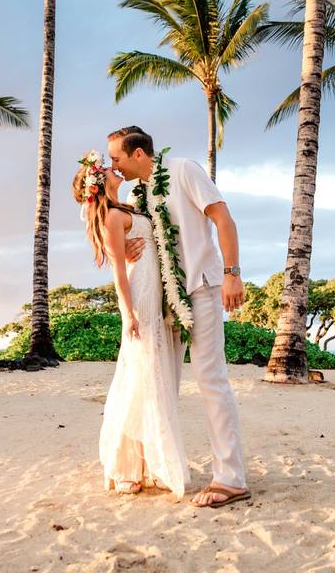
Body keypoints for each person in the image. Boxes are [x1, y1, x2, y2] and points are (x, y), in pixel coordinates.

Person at [107, 126, 251, 509]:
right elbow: (136, 235)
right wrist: (135, 244)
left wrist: (232, 273)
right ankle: (155, 465)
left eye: (116, 158)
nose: (113, 166)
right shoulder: (136, 194)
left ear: (139, 154)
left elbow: (224, 219)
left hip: (202, 286)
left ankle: (231, 477)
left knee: (210, 378)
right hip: (161, 298)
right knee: (159, 380)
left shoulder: (184, 169)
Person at [72, 150, 189, 498]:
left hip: (152, 294)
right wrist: (129, 313)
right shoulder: (110, 216)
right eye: (104, 169)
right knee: (138, 378)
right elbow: (118, 272)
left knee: (150, 380)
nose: (112, 168)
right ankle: (126, 467)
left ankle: (146, 464)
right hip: (138, 297)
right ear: (98, 184)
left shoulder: (128, 209)